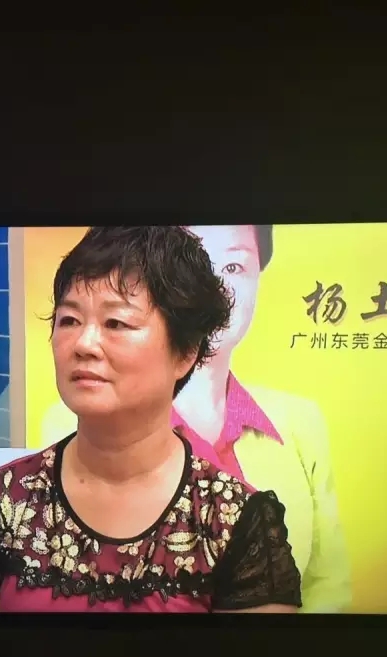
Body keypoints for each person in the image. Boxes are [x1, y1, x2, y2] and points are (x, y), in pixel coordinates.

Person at [0, 226, 302, 613]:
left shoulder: (236, 522)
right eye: (69, 320)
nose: (83, 344)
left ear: (185, 352)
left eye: (115, 323)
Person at [41, 225, 351, 613]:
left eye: (234, 267)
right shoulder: (30, 467)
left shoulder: (290, 438)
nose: (85, 344)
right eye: (69, 319)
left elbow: (327, 586)